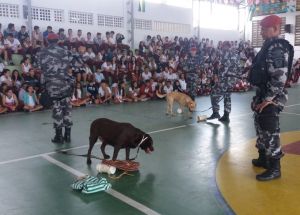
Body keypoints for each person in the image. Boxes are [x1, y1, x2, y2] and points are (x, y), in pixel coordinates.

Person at [248, 15, 294, 181]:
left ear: (275, 29)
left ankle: (275, 168)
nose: (261, 32)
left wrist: (268, 98)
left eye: (264, 29)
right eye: (260, 28)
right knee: (259, 125)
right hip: (263, 93)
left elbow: (280, 77)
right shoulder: (268, 46)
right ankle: (263, 158)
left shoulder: (277, 49)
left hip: (272, 96)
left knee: (270, 128)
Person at [36, 33, 74, 144]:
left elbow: (38, 67)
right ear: (58, 40)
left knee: (57, 110)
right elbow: (75, 64)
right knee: (67, 109)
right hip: (65, 84)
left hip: (52, 85)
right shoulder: (66, 51)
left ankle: (59, 137)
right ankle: (68, 136)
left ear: (47, 41)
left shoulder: (42, 53)